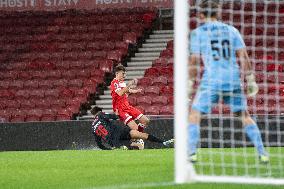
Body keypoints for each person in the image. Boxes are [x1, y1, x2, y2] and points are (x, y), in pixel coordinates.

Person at [188, 0, 269, 163]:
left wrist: (189, 84)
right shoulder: (231, 30)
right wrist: (251, 80)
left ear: (201, 15)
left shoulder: (198, 33)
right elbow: (243, 56)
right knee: (244, 116)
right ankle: (262, 153)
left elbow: (195, 62)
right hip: (232, 79)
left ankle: (191, 153)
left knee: (194, 115)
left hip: (211, 80)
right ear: (218, 14)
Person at [90, 106, 174, 150]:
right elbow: (115, 117)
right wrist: (116, 113)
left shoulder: (93, 127)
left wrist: (109, 150)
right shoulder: (101, 115)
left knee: (131, 146)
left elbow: (100, 145)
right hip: (119, 131)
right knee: (143, 135)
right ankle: (164, 142)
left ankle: (128, 146)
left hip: (113, 141)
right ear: (99, 112)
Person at [110, 64, 150, 133]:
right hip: (121, 110)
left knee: (145, 120)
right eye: (123, 73)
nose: (124, 75)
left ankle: (137, 137)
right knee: (135, 128)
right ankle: (135, 137)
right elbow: (120, 93)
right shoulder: (114, 83)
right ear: (117, 73)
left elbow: (128, 90)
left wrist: (136, 91)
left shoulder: (122, 83)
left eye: (125, 74)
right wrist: (129, 84)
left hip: (127, 106)